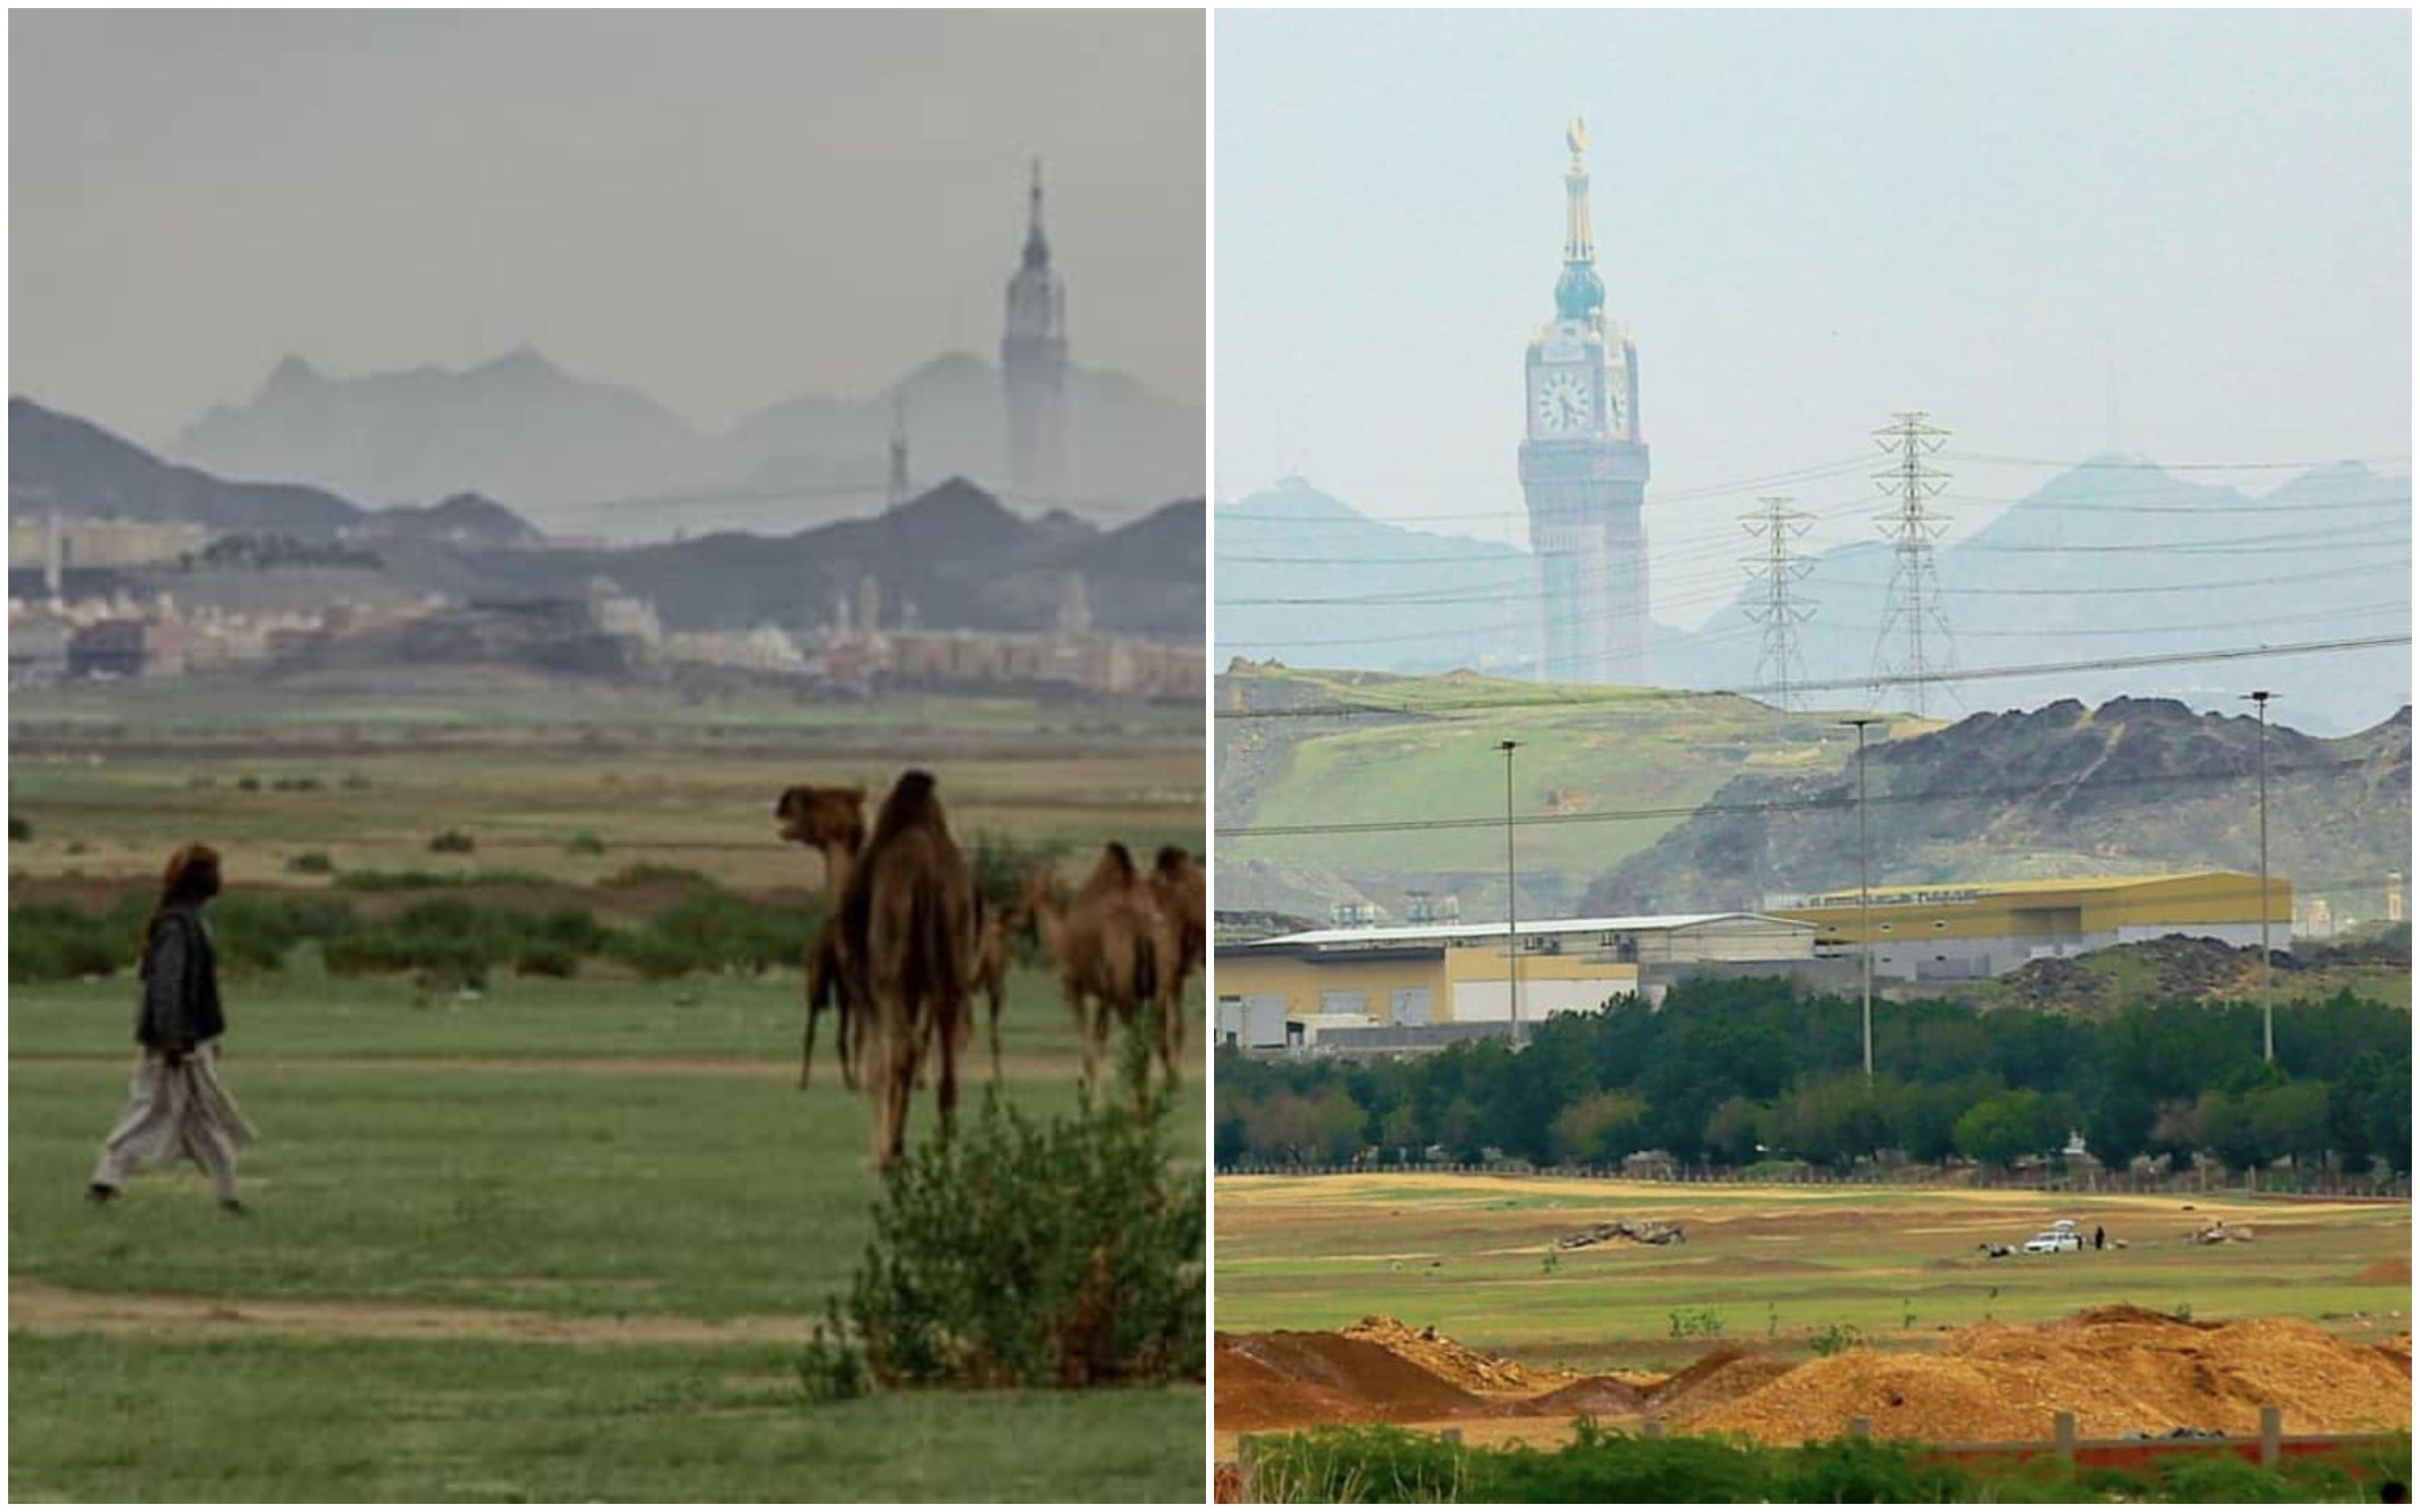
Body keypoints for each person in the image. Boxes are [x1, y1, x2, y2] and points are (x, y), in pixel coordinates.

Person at [87, 843, 257, 1213]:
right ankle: (105, 1181)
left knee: (201, 1114)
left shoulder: (189, 922)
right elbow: (166, 986)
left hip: (192, 1040)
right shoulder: (179, 926)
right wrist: (172, 1039)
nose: (221, 879)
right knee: (149, 1109)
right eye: (214, 871)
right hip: (175, 1042)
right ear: (200, 880)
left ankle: (228, 1195)